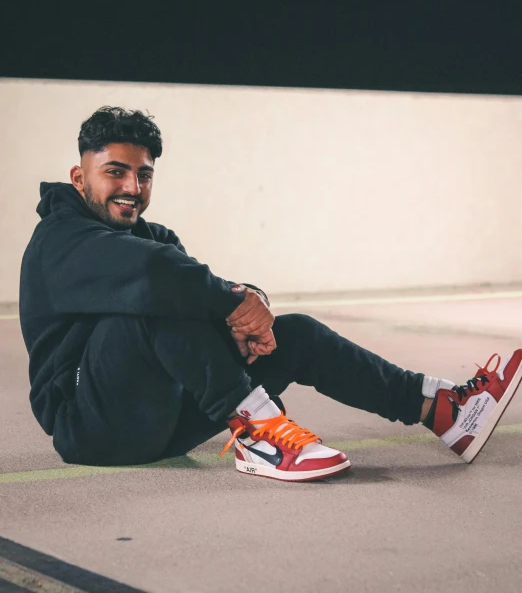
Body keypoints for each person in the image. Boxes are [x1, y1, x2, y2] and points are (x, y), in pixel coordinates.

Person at [19, 107, 522, 482]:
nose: (132, 186)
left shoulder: (156, 239)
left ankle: (440, 409)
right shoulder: (60, 239)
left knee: (294, 334)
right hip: (88, 427)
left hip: (164, 421)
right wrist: (232, 304)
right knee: (158, 299)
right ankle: (259, 435)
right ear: (79, 177)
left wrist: (244, 314)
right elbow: (159, 278)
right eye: (115, 172)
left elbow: (195, 288)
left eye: (144, 174)